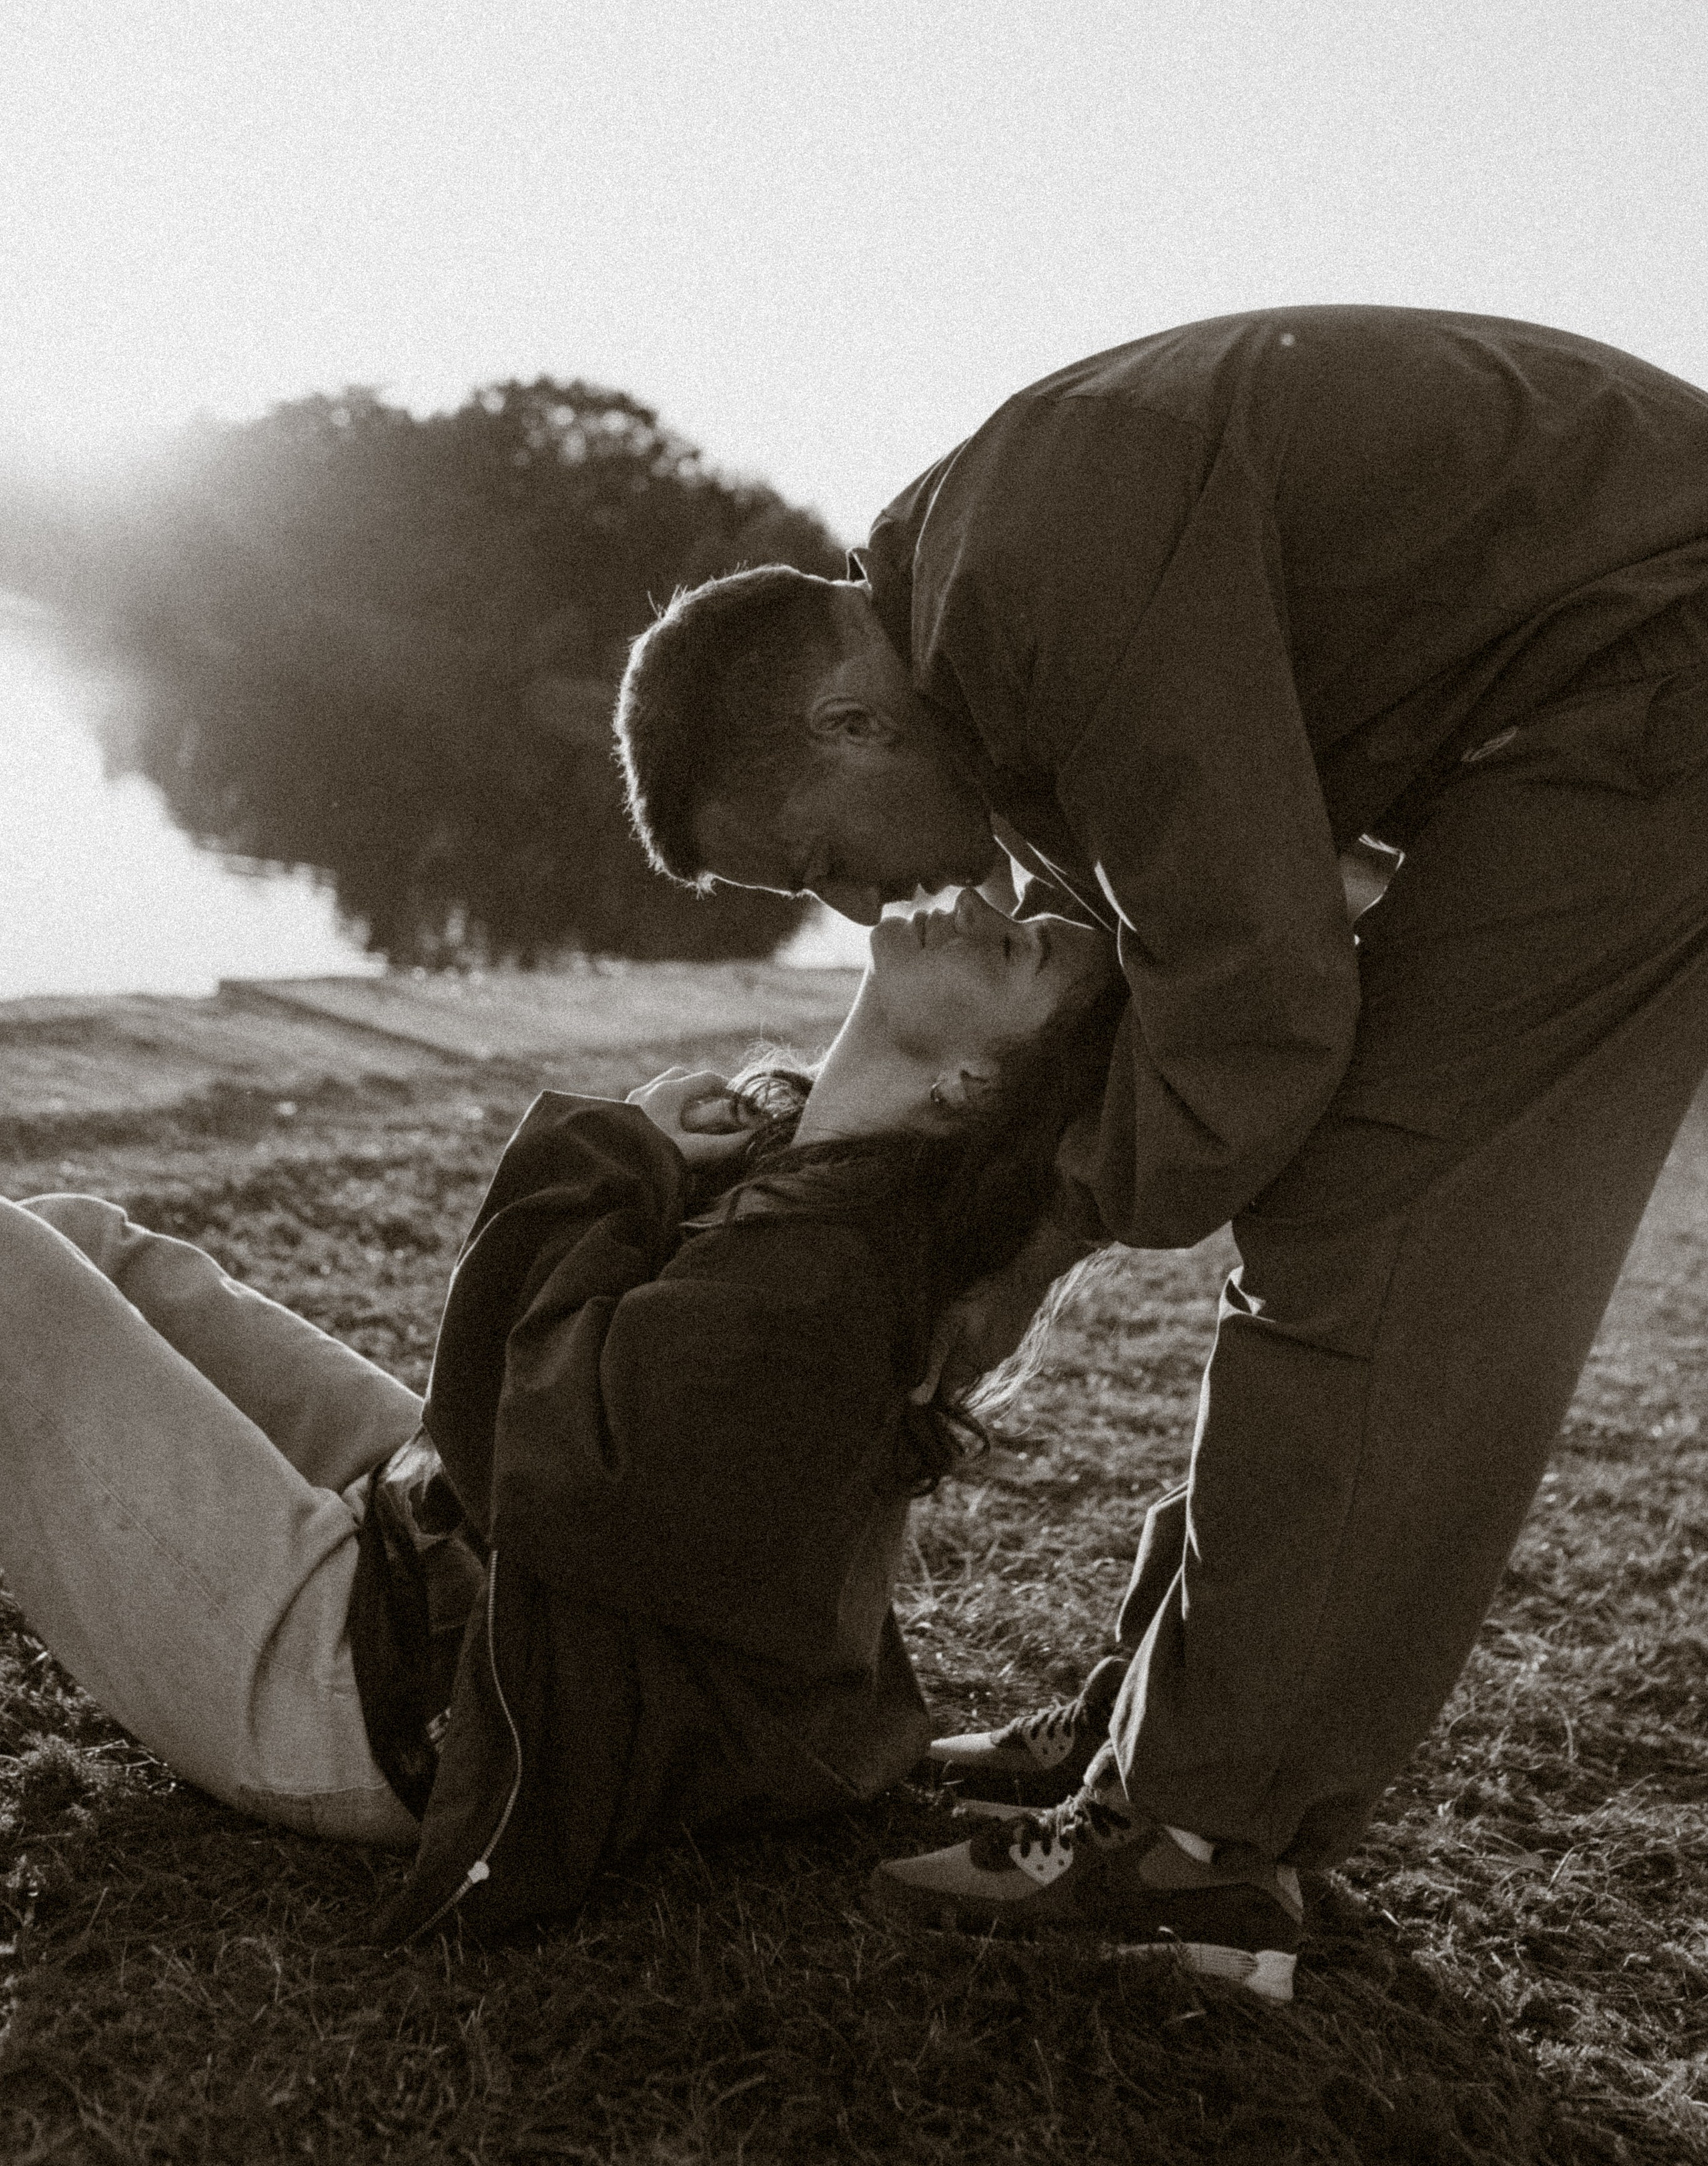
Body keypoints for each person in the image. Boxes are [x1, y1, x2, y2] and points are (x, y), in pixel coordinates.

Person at [614, 302, 1708, 1976]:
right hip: (1603, 679)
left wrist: (1048, 1235)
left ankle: (1195, 1843)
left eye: (817, 864)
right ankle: (1157, 1733)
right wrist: (983, 1242)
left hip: (1651, 679)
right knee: (1344, 1203)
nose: (855, 910)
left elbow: (1260, 1004)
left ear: (845, 724)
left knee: (1374, 1224)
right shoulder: (976, 629)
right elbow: (1136, 968)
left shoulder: (1034, 573)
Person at [0, 892, 1126, 1951]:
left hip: (376, 1696)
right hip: (454, 1566)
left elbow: (532, 1449)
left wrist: (612, 1153)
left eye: (1022, 950)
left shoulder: (820, 1290)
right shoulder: (818, 1193)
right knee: (79, 1239)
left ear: (973, 1087)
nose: (986, 907)